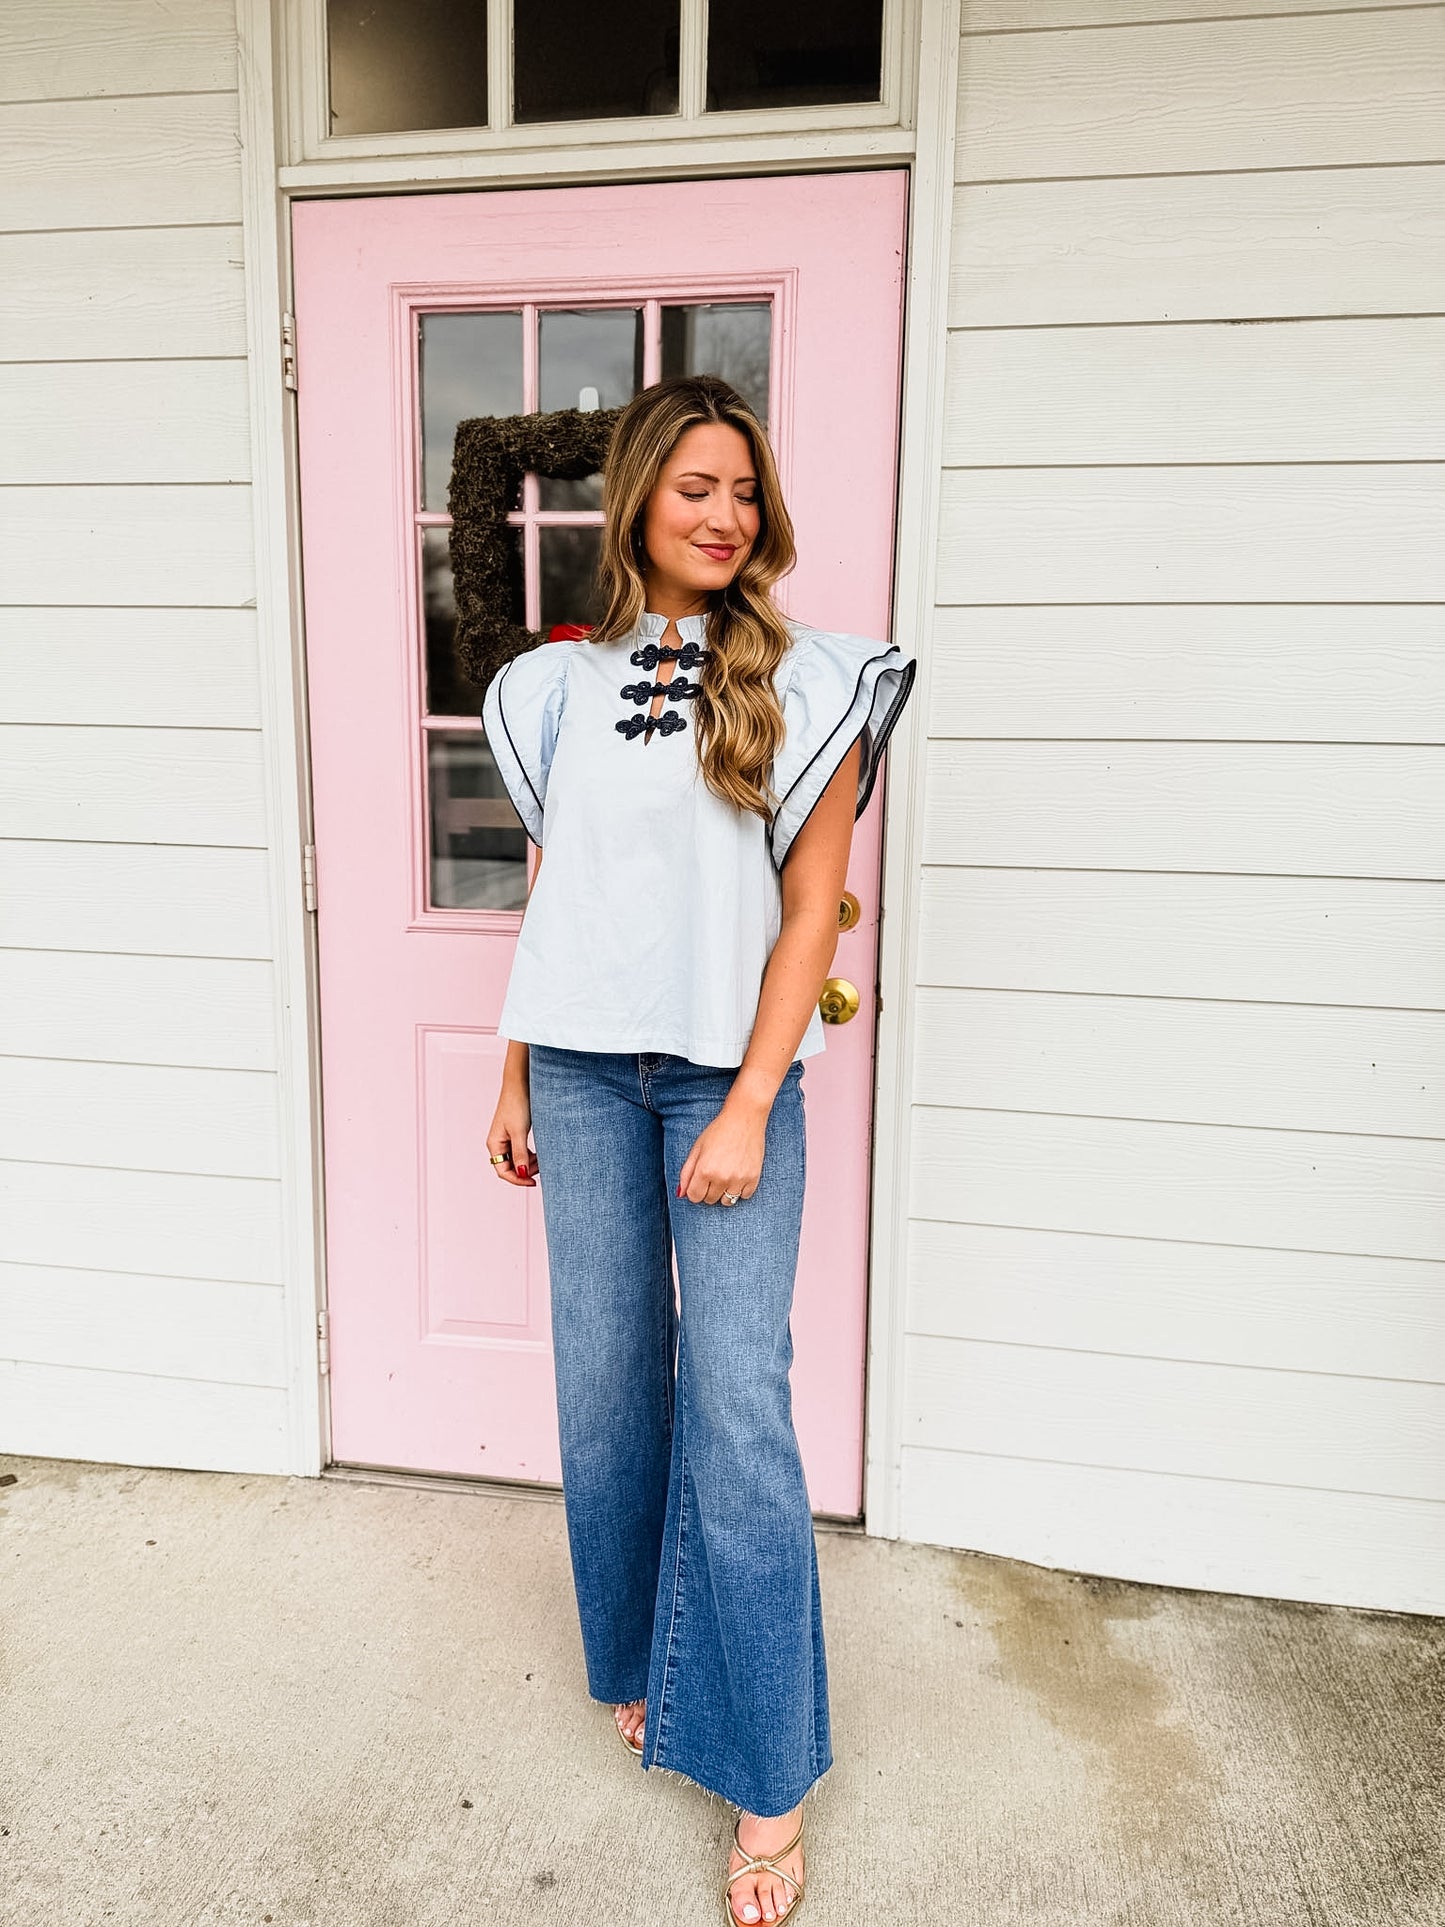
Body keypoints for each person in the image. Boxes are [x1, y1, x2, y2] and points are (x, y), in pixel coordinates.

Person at [482, 373, 915, 1924]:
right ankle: (637, 1659)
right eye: (696, 489)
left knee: (735, 1402)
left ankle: (769, 1776)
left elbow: (809, 916)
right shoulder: (551, 690)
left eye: (744, 491)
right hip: (582, 1074)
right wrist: (516, 1072)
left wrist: (745, 1099)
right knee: (605, 1382)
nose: (725, 515)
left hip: (724, 1083)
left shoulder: (816, 679)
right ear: (637, 505)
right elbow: (561, 897)